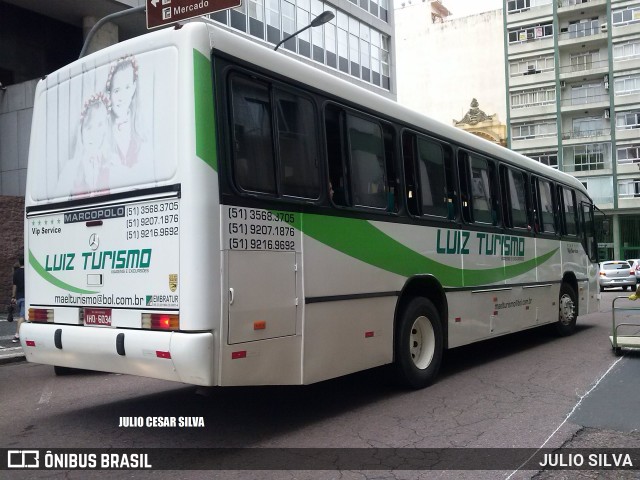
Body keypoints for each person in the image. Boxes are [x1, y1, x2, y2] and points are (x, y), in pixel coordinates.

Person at [12, 256, 25, 343]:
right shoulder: (28, 272)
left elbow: (14, 285)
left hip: (19, 297)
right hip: (26, 297)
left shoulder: (16, 272)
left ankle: (24, 334)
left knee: (23, 316)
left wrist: (13, 297)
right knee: (22, 316)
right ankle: (16, 335)